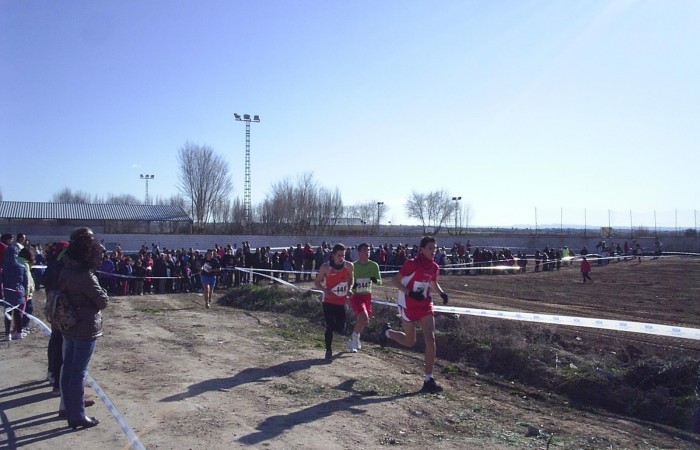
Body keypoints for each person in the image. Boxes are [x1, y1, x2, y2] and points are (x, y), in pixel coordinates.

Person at [380, 236, 449, 393]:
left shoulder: (434, 266)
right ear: (422, 249)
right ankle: (387, 332)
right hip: (408, 305)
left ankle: (428, 379)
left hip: (425, 305)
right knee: (410, 341)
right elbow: (395, 280)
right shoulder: (412, 264)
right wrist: (410, 293)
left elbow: (432, 282)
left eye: (435, 248)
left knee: (430, 338)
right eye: (430, 248)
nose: (434, 251)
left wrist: (442, 293)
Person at [59, 227, 108, 429]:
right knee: (78, 372)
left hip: (69, 325)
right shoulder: (84, 275)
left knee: (69, 369)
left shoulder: (65, 268)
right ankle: (77, 415)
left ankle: (70, 409)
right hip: (84, 327)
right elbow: (102, 301)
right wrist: (102, 292)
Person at [314, 243, 353, 361]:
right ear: (333, 255)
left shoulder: (349, 266)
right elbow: (317, 282)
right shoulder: (326, 267)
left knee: (341, 327)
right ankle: (328, 349)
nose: (341, 258)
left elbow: (351, 279)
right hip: (328, 301)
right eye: (339, 255)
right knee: (330, 325)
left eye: (343, 256)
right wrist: (324, 290)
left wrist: (350, 289)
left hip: (341, 302)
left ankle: (331, 336)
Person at [347, 242, 381, 353]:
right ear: (359, 252)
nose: (367, 252)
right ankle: (355, 338)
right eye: (365, 250)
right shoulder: (354, 266)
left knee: (364, 320)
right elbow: (349, 281)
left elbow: (380, 282)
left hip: (367, 295)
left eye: (369, 250)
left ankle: (354, 337)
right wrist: (353, 287)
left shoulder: (374, 265)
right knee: (363, 317)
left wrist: (373, 279)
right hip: (356, 295)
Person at [2, 242, 28, 340]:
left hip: (8, 292)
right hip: (19, 292)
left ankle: (7, 334)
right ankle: (19, 332)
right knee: (18, 314)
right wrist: (24, 292)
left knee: (8, 313)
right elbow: (25, 281)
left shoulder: (4, 268)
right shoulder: (22, 266)